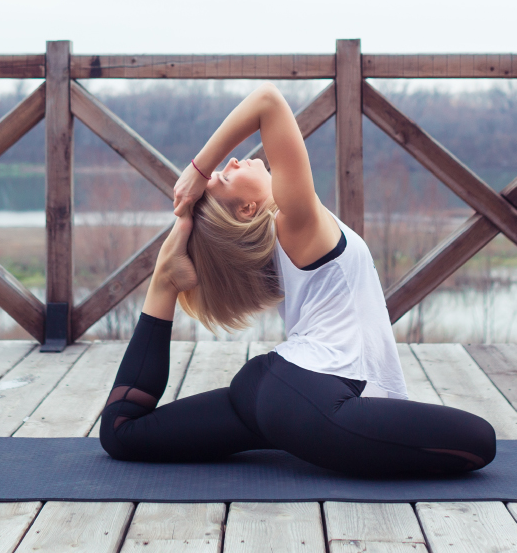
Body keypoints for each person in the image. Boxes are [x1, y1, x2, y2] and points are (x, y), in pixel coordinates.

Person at [98, 83, 496, 477]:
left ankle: (163, 284)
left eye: (222, 169)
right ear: (248, 208)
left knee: (124, 433)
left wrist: (175, 255)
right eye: (225, 177)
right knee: (480, 442)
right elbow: (268, 103)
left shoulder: (280, 242)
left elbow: (118, 431)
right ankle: (165, 279)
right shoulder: (296, 225)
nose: (233, 161)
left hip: (273, 392)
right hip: (313, 396)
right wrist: (198, 171)